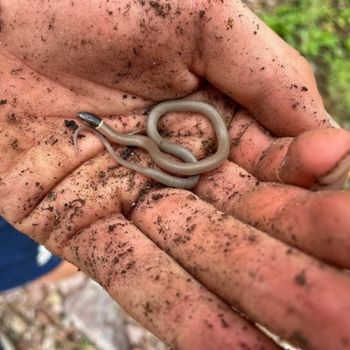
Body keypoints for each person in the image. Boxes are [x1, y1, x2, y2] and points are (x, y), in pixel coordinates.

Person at [0, 1, 349, 349]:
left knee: (31, 258)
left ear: (94, 124)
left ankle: (40, 269)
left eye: (87, 121)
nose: (85, 121)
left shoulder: (135, 139)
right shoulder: (131, 138)